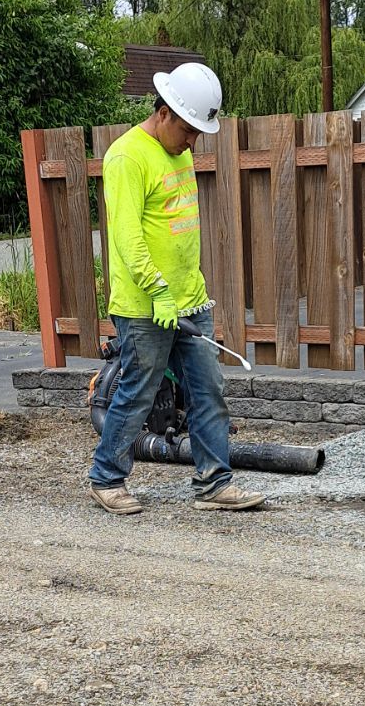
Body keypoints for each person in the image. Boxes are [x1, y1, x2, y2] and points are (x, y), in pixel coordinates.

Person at [88, 61, 265, 516]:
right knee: (138, 393)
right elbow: (126, 237)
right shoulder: (126, 157)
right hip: (144, 305)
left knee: (208, 390)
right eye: (188, 129)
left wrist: (187, 289)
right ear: (163, 112)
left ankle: (214, 483)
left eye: (198, 133)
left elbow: (177, 230)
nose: (192, 142)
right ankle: (106, 478)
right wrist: (157, 291)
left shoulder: (179, 152)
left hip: (190, 299)